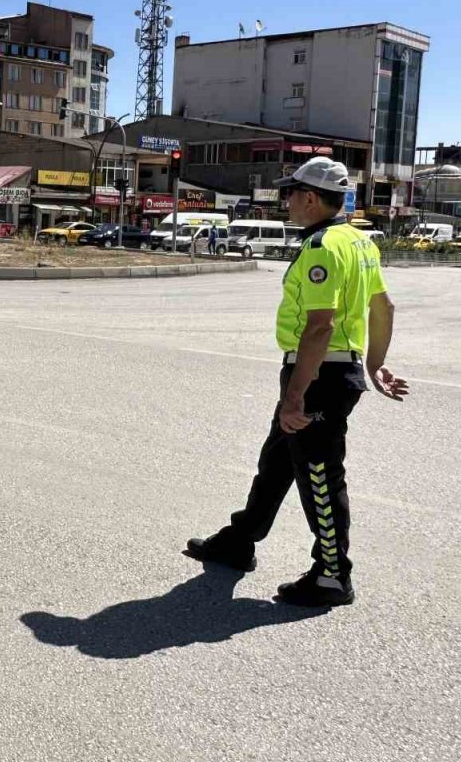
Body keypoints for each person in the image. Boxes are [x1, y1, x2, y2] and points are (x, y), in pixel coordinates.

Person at [185, 158, 408, 606]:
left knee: (321, 476)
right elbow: (383, 308)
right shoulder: (360, 242)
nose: (286, 201)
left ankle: (332, 574)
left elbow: (320, 327)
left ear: (310, 197)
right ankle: (239, 539)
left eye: (290, 193)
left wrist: (295, 396)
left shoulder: (323, 247)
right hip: (329, 369)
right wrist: (374, 364)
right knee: (277, 462)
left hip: (318, 374)